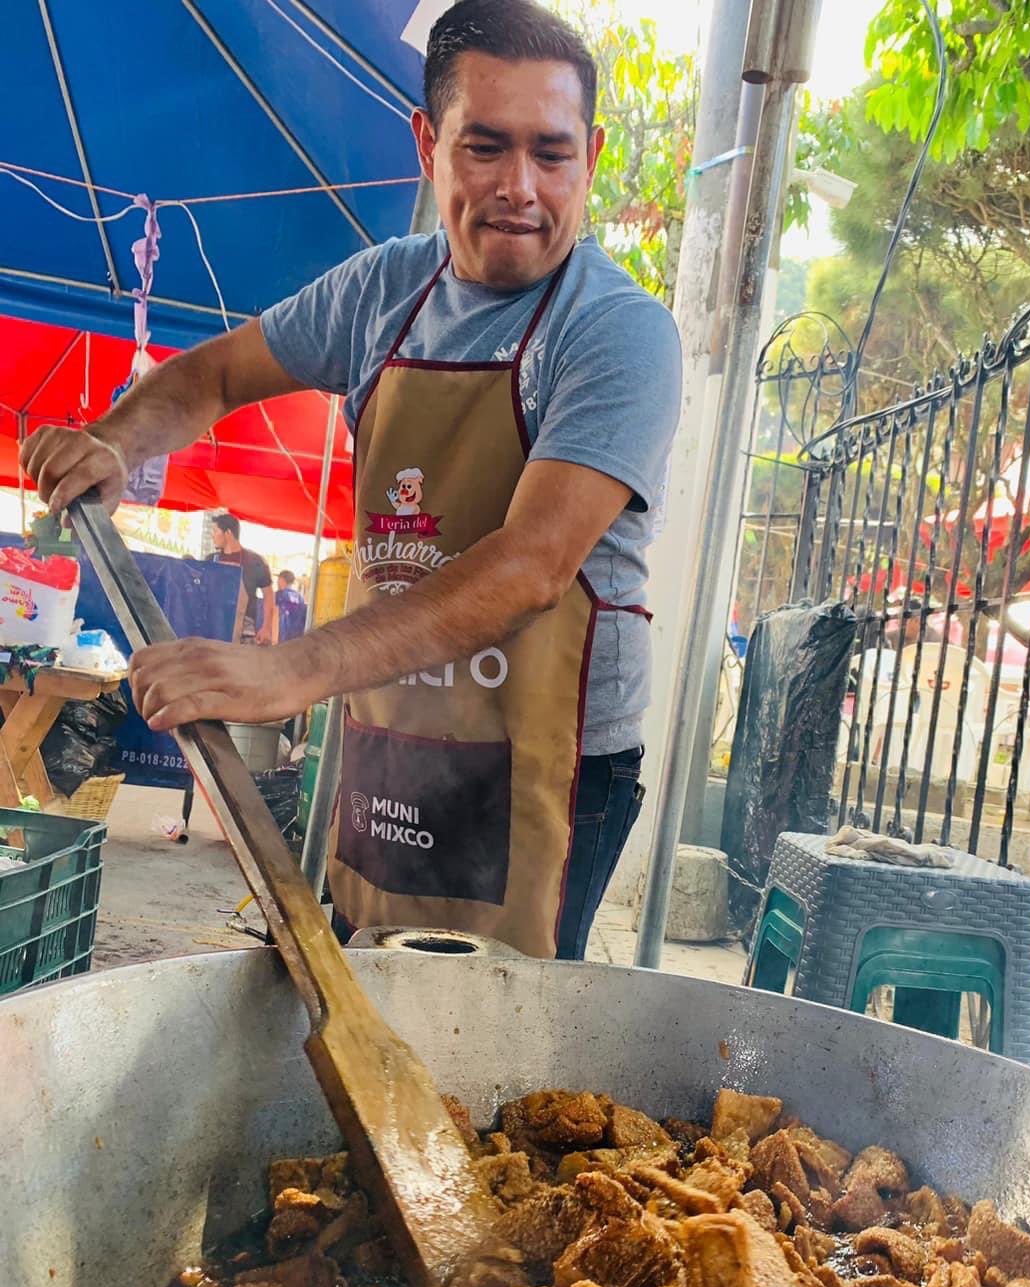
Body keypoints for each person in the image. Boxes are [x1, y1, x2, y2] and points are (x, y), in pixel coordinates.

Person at [20, 0, 683, 962]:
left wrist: (287, 670)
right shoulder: (381, 291)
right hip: (396, 715)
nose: (521, 188)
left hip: (548, 752)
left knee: (503, 1033)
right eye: (485, 147)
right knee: (362, 981)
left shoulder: (615, 332)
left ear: (593, 153)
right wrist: (118, 442)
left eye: (551, 152)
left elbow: (531, 565)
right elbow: (211, 374)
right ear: (428, 142)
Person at [210, 512, 276, 646]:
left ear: (227, 533)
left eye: (215, 531)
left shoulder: (255, 562)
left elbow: (268, 595)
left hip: (244, 631)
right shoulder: (210, 560)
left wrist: (266, 628)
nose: (212, 535)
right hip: (214, 626)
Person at [274, 569, 307, 644]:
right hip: (297, 638)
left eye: (278, 579)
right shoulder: (300, 597)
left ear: (281, 579)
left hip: (281, 637)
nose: (277, 582)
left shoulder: (278, 595)